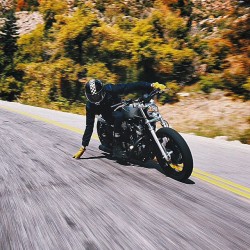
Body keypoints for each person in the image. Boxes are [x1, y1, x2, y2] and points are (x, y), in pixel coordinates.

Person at [73, 77, 166, 159]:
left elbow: (129, 86)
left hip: (119, 106)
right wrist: (83, 146)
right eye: (92, 97)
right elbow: (89, 126)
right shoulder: (90, 106)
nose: (95, 99)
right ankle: (117, 146)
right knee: (119, 116)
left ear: (102, 91)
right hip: (107, 115)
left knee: (138, 114)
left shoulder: (110, 89)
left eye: (97, 95)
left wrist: (151, 85)